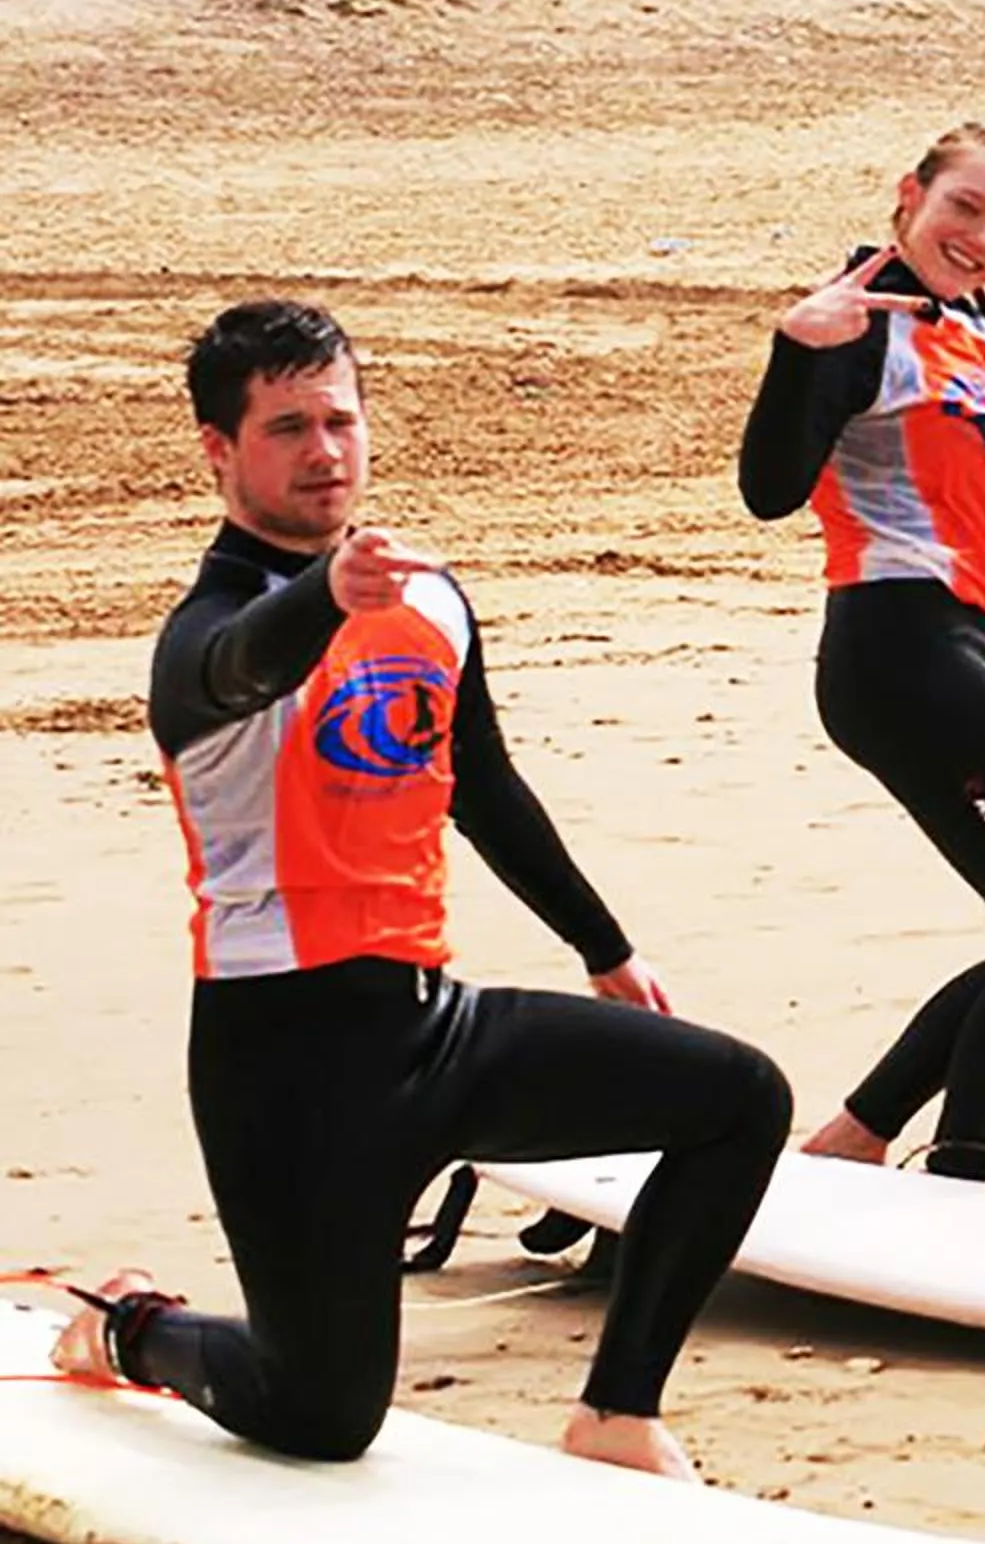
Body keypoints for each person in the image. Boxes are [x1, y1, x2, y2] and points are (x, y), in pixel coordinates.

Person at [48, 299, 792, 1481]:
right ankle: (134, 1328)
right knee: (321, 1416)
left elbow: (480, 781)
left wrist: (604, 946)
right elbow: (245, 663)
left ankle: (617, 1412)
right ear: (219, 451)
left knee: (740, 1099)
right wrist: (327, 595)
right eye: (286, 427)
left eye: (339, 418)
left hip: (430, 1028)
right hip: (283, 1068)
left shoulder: (428, 597)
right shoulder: (204, 634)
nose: (324, 450)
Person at [737, 121, 985, 1181]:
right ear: (908, 194)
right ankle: (958, 1172)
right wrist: (792, 349)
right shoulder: (856, 322)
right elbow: (769, 492)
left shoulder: (968, 319)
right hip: (898, 648)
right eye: (965, 210)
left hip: (954, 647)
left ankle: (854, 1140)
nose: (982, 240)